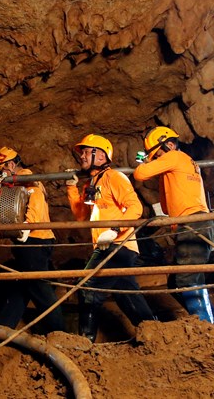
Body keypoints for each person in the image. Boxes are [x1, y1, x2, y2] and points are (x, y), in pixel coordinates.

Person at [67, 134, 156, 341]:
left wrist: (115, 230)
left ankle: (84, 342)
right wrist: (71, 188)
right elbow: (81, 216)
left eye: (87, 151)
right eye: (81, 152)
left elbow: (136, 207)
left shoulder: (113, 177)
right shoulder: (92, 183)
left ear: (100, 156)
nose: (82, 156)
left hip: (118, 244)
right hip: (109, 244)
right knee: (125, 293)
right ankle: (155, 333)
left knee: (88, 285)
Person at [133, 127, 214, 323]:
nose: (156, 159)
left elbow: (139, 174)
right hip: (195, 222)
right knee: (180, 280)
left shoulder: (174, 156)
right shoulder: (182, 162)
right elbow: (165, 206)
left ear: (170, 144)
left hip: (194, 223)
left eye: (157, 154)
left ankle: (209, 327)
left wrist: (148, 162)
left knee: (187, 280)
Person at [0, 147, 66, 333]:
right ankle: (3, 326)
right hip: (33, 241)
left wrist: (26, 225)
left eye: (1, 171)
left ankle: (59, 333)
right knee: (22, 285)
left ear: (11, 164)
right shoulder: (18, 182)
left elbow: (36, 204)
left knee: (40, 289)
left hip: (34, 241)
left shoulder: (27, 179)